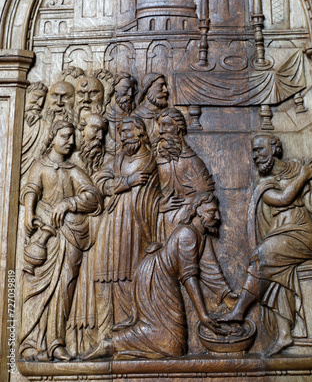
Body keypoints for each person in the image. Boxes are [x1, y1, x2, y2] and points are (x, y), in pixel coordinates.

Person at [83, 192, 236, 360]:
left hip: (162, 276)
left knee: (173, 346)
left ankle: (116, 344)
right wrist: (203, 314)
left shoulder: (202, 236)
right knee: (170, 343)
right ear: (198, 211)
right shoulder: (187, 234)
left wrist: (228, 297)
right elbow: (189, 277)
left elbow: (211, 270)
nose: (218, 216)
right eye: (212, 211)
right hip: (155, 277)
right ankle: (112, 343)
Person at [220, 134, 312, 355]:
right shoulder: (265, 185)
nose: (256, 156)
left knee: (262, 255)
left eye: (260, 150)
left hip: (303, 235)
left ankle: (240, 309)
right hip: (282, 236)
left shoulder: (297, 168)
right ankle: (285, 334)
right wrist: (304, 177)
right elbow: (283, 199)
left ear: (275, 148)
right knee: (275, 272)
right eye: (254, 152)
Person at [19, 121, 102, 361]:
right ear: (52, 137)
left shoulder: (73, 170)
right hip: (45, 239)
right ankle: (30, 345)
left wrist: (69, 203)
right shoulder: (40, 165)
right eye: (65, 136)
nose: (71, 142)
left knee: (63, 289)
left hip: (69, 241)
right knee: (36, 289)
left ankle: (56, 343)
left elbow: (94, 197)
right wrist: (29, 211)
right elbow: (31, 189)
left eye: (72, 137)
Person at [92, 116, 161, 325]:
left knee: (129, 276)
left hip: (135, 225)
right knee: (105, 277)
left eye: (127, 132)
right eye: (121, 133)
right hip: (111, 224)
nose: (123, 137)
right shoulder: (119, 159)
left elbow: (153, 197)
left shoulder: (149, 160)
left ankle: (130, 327)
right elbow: (99, 181)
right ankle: (105, 331)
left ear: (140, 132)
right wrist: (126, 182)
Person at [154, 107, 214, 240]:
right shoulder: (156, 161)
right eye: (160, 126)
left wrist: (190, 206)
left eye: (167, 125)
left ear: (179, 128)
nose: (161, 131)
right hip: (162, 222)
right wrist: (157, 205)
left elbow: (207, 196)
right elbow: (147, 193)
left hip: (187, 223)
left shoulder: (193, 161)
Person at [21, 82, 48, 182]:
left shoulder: (45, 126)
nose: (40, 104)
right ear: (25, 94)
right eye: (36, 97)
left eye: (43, 100)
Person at [104, 72, 138, 153]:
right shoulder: (108, 112)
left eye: (132, 90)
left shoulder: (132, 109)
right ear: (115, 88)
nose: (130, 94)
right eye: (126, 89)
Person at [132, 73, 168, 142]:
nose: (165, 90)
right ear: (147, 89)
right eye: (160, 86)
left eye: (165, 86)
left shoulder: (167, 116)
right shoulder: (136, 117)